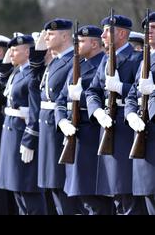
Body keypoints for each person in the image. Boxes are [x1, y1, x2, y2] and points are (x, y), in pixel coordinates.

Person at [85, 14, 147, 215]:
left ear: (121, 33)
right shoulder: (105, 59)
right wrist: (96, 111)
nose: (102, 35)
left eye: (106, 30)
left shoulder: (137, 58)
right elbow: (92, 91)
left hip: (126, 128)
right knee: (115, 193)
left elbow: (141, 91)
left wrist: (121, 87)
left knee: (127, 192)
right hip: (107, 125)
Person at [54, 25, 113, 215]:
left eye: (81, 41)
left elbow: (104, 99)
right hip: (73, 134)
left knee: (94, 198)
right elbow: (61, 99)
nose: (76, 45)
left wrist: (82, 101)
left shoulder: (104, 64)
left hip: (91, 134)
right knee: (81, 196)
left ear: (94, 43)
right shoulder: (76, 64)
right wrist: (61, 120)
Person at [0, 35, 47, 215]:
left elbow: (35, 110)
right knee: (18, 191)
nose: (11, 53)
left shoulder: (31, 75)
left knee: (28, 190)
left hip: (21, 135)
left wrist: (29, 140)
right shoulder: (17, 72)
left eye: (16, 50)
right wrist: (7, 58)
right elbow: (1, 78)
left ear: (27, 52)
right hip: (11, 135)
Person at [33, 18, 79, 215]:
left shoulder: (74, 61)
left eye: (51, 34)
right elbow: (34, 79)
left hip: (58, 130)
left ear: (65, 36)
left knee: (61, 188)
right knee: (52, 188)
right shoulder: (56, 61)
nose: (46, 38)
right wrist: (38, 48)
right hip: (47, 128)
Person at [125, 12, 155, 214]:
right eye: (148, 29)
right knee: (148, 195)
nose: (150, 32)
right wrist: (130, 114)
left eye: (154, 28)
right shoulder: (147, 58)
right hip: (144, 131)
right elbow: (132, 95)